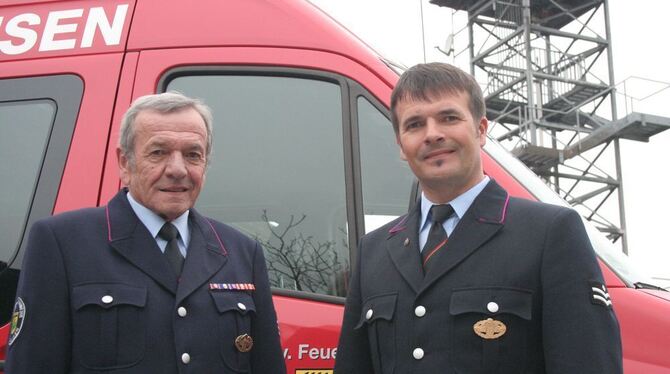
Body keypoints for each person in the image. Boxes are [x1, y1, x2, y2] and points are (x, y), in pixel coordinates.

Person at [334, 63, 623, 373]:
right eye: (415, 124)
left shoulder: (549, 234)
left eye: (449, 118)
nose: (432, 134)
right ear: (401, 146)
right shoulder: (374, 252)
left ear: (481, 129)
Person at [5, 92, 286, 373]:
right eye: (158, 152)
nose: (177, 169)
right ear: (125, 163)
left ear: (206, 164)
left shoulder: (242, 252)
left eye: (192, 155)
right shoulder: (62, 243)